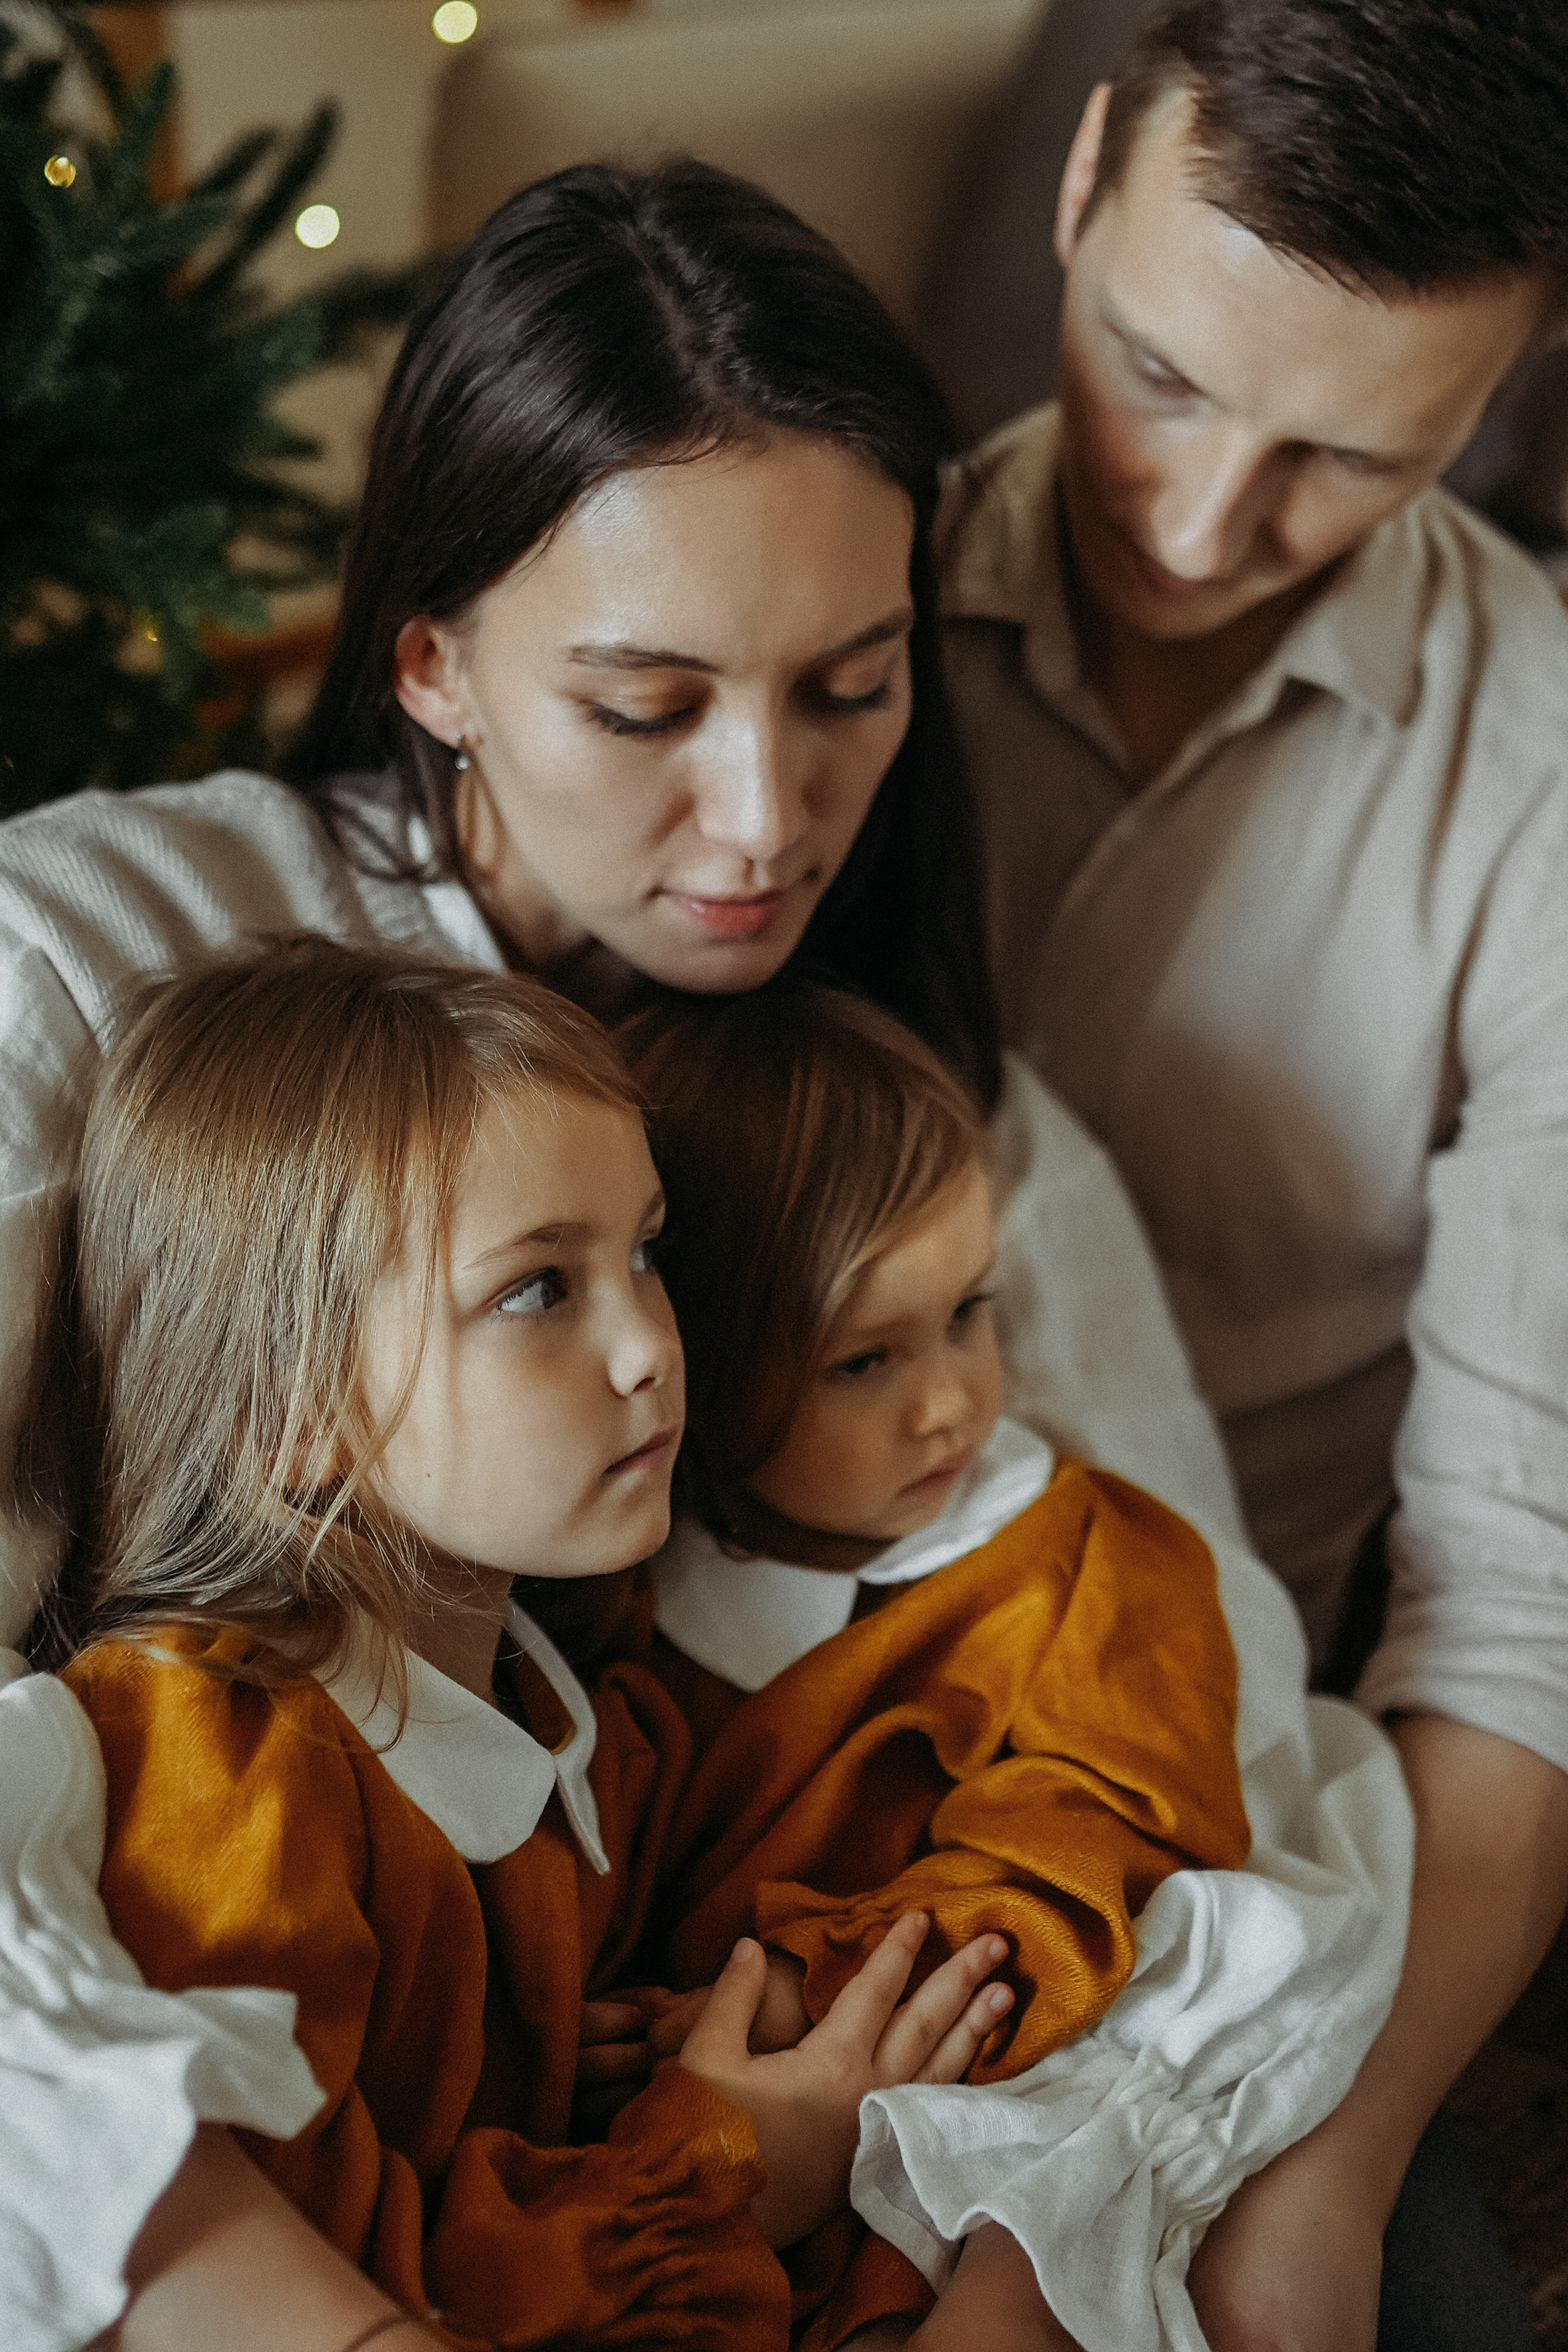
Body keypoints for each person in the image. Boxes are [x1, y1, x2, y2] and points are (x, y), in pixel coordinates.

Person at [0, 164, 1404, 2351]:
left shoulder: (921, 1119)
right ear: (434, 662)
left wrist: (1011, 2253)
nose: (766, 822)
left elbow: (1208, 1725)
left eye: (851, 686)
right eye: (648, 709)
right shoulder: (86, 964)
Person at [932, 2, 1568, 2345]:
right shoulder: (816, 586)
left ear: (1510, 382)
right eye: (1158, 375)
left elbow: (1517, 1616)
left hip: (1229, 1786)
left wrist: (1329, 2171)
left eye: (1348, 458)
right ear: (1084, 174)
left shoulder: (1545, 780)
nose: (1200, 525)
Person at [45, 937, 1019, 2348]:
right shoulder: (221, 1759)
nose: (652, 1348)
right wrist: (725, 2162)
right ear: (290, 1418)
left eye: (645, 1254)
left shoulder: (589, 1691)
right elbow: (317, 2273)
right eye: (538, 1291)